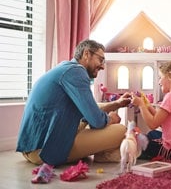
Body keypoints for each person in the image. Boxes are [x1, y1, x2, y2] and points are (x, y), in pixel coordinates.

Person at [16, 39, 131, 183]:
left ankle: (103, 151)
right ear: (87, 54)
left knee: (88, 121)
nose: (102, 66)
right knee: (121, 130)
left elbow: (89, 108)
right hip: (43, 152)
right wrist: (111, 119)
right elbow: (97, 121)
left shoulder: (65, 69)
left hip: (29, 148)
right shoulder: (77, 72)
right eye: (100, 59)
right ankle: (104, 154)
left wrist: (117, 104)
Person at [131, 60, 171, 161]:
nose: (159, 81)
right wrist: (148, 105)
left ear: (170, 76)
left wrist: (140, 104)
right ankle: (145, 144)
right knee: (153, 134)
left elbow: (153, 124)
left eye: (160, 77)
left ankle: (144, 147)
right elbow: (162, 122)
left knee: (146, 142)